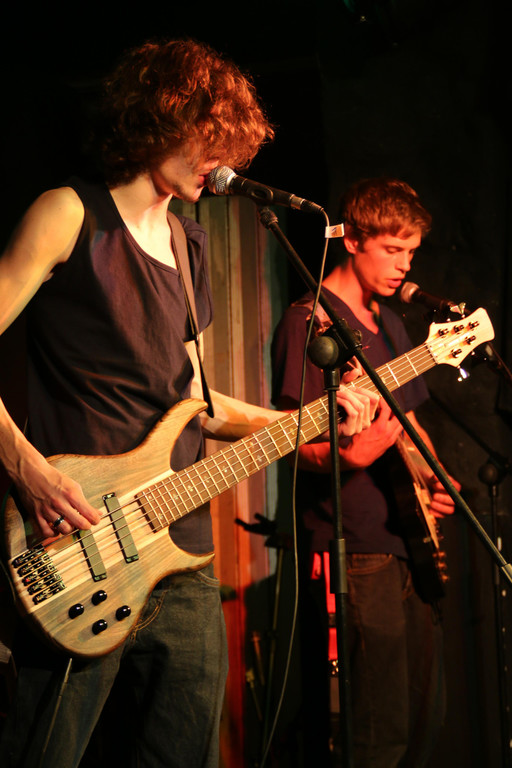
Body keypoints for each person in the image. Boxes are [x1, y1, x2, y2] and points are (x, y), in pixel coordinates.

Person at [0, 39, 378, 768]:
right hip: (81, 541)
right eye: (212, 138)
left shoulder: (189, 241)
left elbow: (198, 402)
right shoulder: (68, 214)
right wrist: (27, 470)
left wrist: (308, 421)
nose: (223, 161)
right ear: (160, 117)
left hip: (181, 550)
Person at [271, 177, 461, 767]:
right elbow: (291, 442)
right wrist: (354, 453)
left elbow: (409, 420)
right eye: (392, 249)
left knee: (426, 720)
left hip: (408, 536)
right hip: (354, 545)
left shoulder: (388, 324)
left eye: (412, 252)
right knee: (378, 733)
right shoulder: (310, 322)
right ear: (352, 240)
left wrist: (435, 476)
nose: (405, 266)